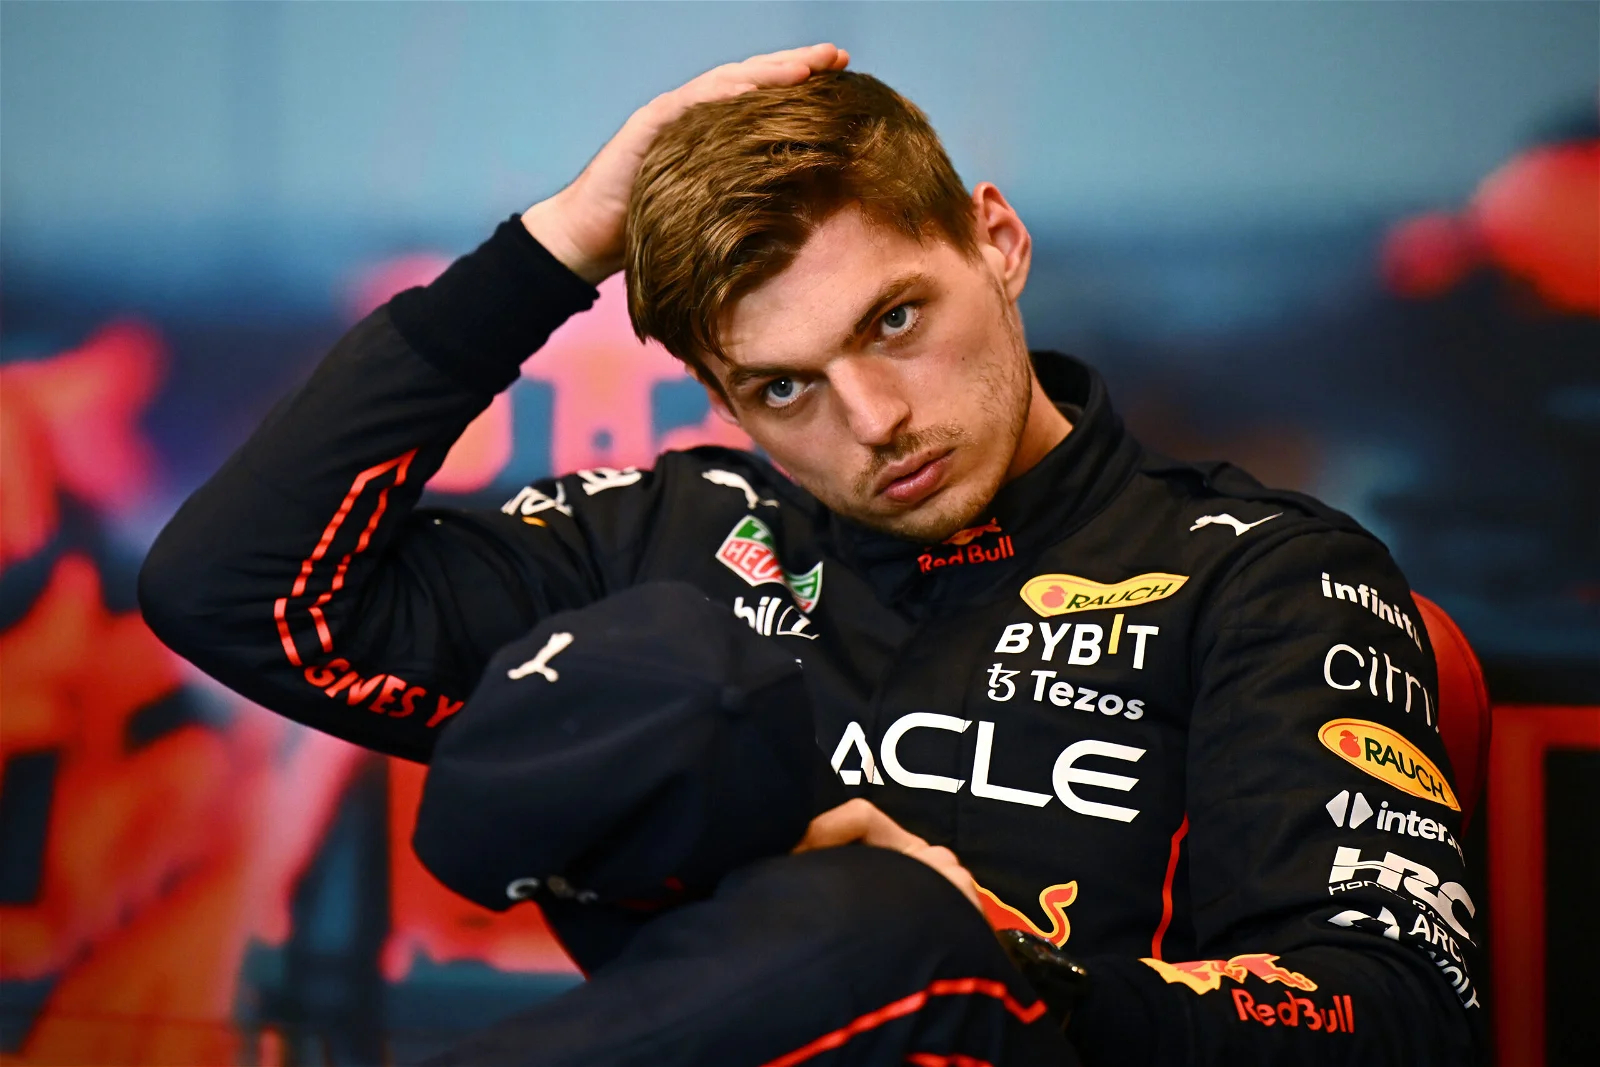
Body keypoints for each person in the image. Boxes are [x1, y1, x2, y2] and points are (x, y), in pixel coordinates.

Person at [140, 44, 1485, 1066]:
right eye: (784, 386)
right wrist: (555, 250)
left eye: (895, 320)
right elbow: (231, 591)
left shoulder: (1264, 573)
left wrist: (1008, 970)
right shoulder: (671, 537)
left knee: (880, 919)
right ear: (724, 402)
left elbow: (1395, 1017)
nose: (875, 418)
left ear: (998, 244)